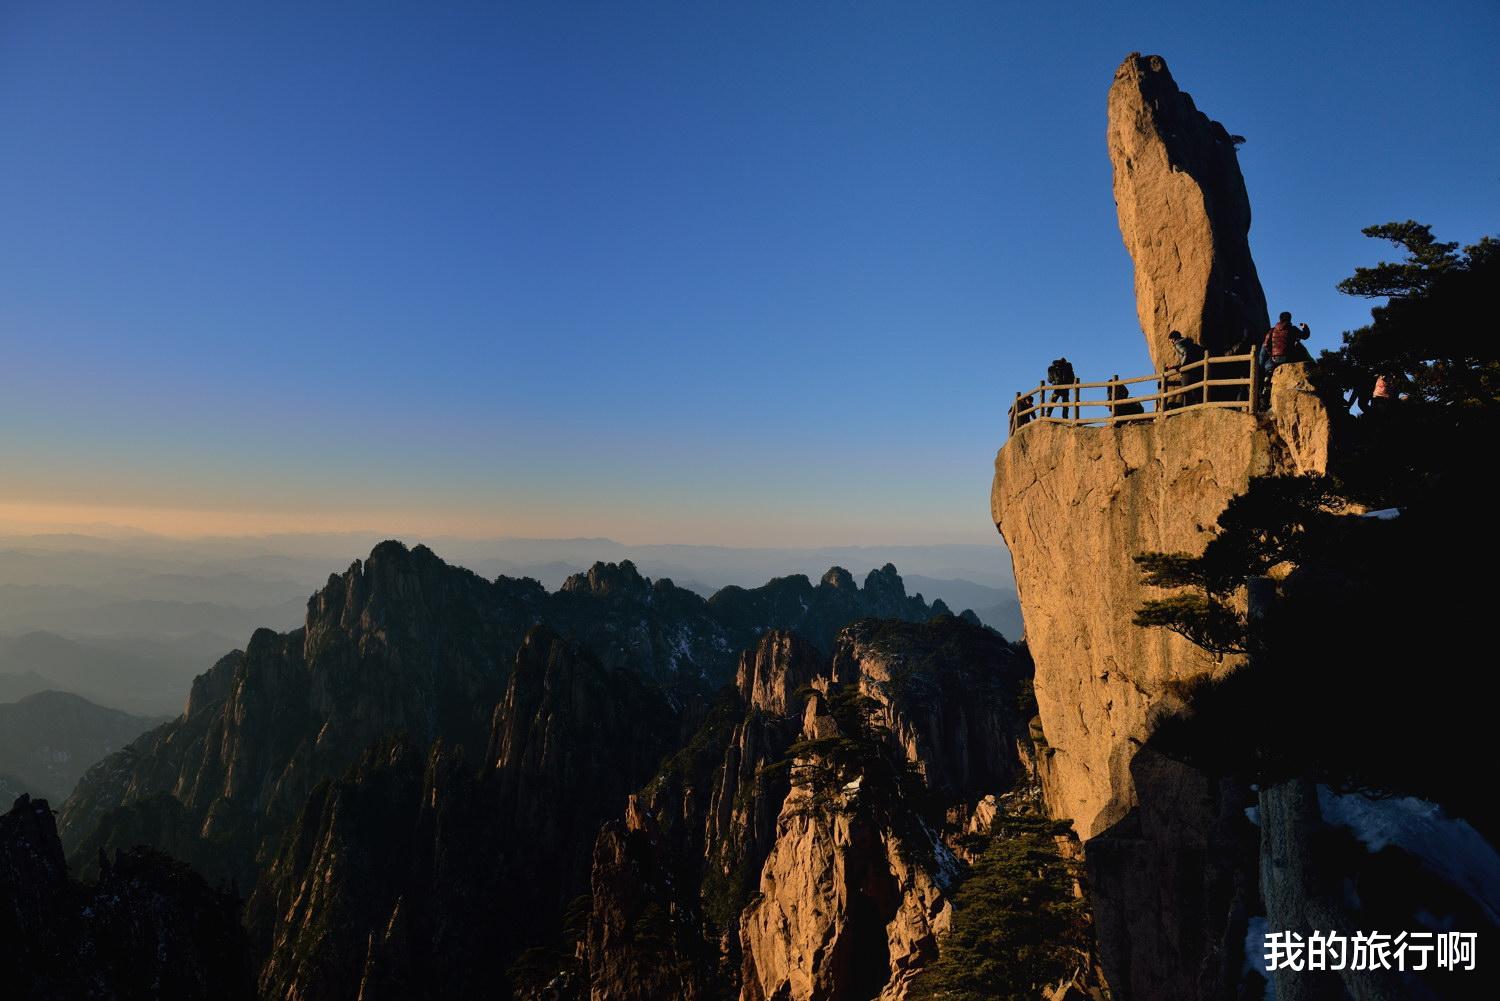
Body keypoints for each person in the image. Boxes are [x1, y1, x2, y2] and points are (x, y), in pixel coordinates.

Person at [1167, 331, 1204, 407]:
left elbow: (1185, 353)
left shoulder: (1177, 344)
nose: (1170, 342)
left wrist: (1181, 366)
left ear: (1173, 338)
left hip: (1187, 370)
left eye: (1170, 339)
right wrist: (1175, 366)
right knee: (1195, 390)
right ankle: (1198, 406)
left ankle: (1185, 409)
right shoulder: (1188, 342)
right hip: (1195, 369)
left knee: (1185, 391)